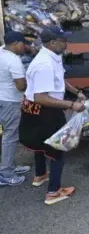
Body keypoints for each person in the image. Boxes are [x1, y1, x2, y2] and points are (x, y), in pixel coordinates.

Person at [19, 26, 85, 205]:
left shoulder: (52, 57)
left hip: (37, 109)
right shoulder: (44, 64)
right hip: (43, 110)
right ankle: (53, 192)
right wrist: (71, 105)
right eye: (63, 40)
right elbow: (41, 98)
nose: (66, 43)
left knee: (41, 144)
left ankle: (40, 175)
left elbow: (59, 78)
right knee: (57, 149)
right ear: (53, 42)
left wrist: (75, 91)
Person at [0, 31, 31, 186]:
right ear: (16, 44)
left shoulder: (1, 51)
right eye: (23, 44)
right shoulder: (14, 61)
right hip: (9, 101)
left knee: (7, 135)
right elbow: (21, 86)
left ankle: (9, 167)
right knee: (10, 137)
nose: (24, 47)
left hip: (1, 98)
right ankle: (6, 173)